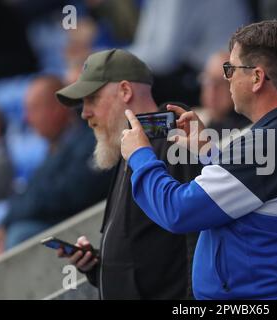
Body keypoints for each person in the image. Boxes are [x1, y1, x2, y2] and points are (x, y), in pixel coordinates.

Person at [120, 19, 277, 299]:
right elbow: (261, 201)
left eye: (230, 68)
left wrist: (141, 156)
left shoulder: (264, 145)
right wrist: (209, 153)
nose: (226, 78)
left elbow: (178, 211)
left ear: (257, 78)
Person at [55, 49, 201, 299]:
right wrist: (96, 268)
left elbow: (196, 240)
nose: (84, 113)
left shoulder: (176, 139)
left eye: (92, 99)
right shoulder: (132, 144)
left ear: (125, 91)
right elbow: (142, 253)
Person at [0, 75, 111, 250]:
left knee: (20, 235)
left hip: (88, 230)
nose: (26, 119)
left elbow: (68, 193)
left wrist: (12, 218)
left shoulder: (90, 140)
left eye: (33, 109)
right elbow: (34, 193)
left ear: (57, 108)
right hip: (64, 227)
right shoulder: (54, 148)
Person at [198, 51, 251, 137]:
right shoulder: (200, 119)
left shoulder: (245, 129)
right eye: (208, 80)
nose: (212, 90)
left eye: (221, 83)